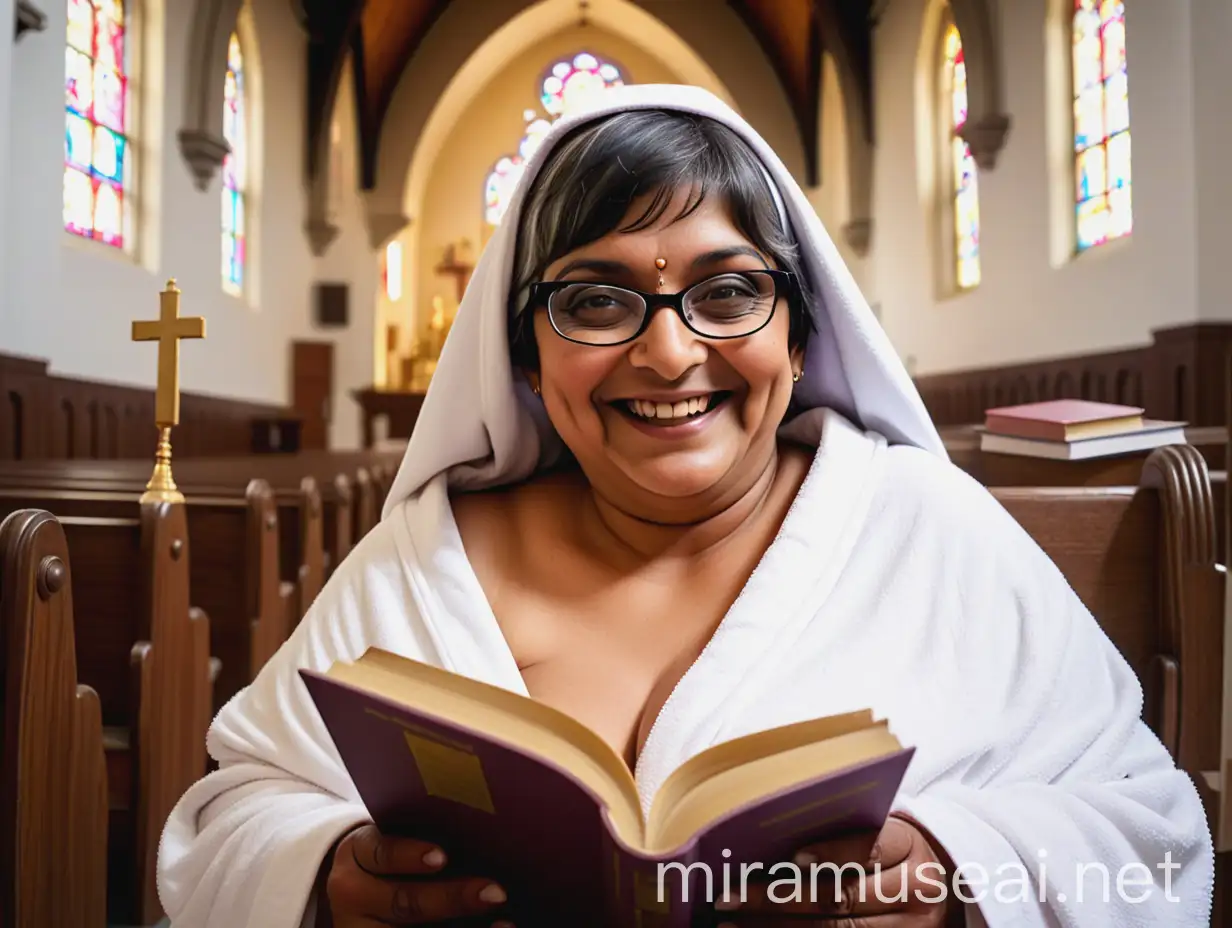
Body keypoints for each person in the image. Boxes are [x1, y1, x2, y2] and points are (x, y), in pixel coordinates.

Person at [157, 84, 1213, 928]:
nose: (668, 352)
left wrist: (956, 871)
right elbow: (231, 817)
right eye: (596, 299)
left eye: (725, 291)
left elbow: (1152, 835)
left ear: (798, 336)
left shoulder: (930, 531)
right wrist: (324, 875)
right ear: (525, 355)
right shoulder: (420, 561)